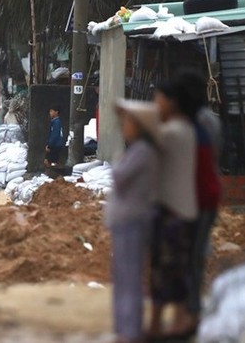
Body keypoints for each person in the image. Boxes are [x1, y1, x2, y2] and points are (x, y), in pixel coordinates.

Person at [105, 99, 161, 343]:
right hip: (127, 221)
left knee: (129, 276)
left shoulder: (143, 152)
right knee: (123, 276)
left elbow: (120, 177)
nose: (123, 126)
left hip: (133, 221)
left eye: (128, 122)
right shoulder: (138, 150)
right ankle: (124, 327)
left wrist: (118, 160)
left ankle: (130, 330)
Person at [148, 80, 198, 340]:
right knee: (171, 267)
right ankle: (165, 320)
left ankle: (174, 320)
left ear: (172, 102)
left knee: (167, 268)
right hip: (178, 209)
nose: (156, 105)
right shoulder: (184, 129)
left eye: (159, 100)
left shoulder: (173, 132)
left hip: (172, 212)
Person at [175, 69, 222, 331]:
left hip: (195, 197)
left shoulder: (191, 125)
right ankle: (192, 306)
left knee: (188, 255)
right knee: (195, 253)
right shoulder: (211, 121)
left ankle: (191, 311)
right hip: (207, 195)